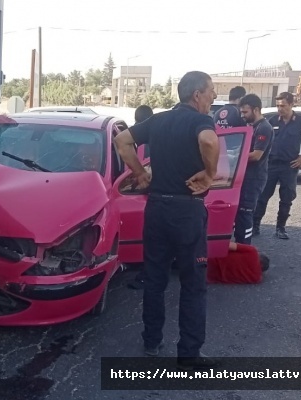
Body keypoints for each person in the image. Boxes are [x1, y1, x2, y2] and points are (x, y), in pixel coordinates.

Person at [114, 71, 219, 370]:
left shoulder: (158, 120)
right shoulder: (200, 121)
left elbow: (122, 141)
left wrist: (139, 173)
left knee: (155, 279)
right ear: (196, 95)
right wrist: (210, 175)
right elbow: (209, 142)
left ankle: (151, 341)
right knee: (193, 285)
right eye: (210, 91)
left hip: (157, 209)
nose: (213, 97)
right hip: (187, 211)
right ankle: (188, 355)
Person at [252, 92, 301, 239]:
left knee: (287, 198)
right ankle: (255, 224)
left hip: (290, 166)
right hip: (271, 164)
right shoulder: (272, 121)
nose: (279, 109)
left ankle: (281, 228)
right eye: (277, 106)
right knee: (263, 196)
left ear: (291, 104)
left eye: (282, 105)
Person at [234, 94, 273, 244]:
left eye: (245, 112)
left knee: (245, 214)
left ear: (256, 109)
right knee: (240, 214)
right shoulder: (251, 126)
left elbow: (256, 155)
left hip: (254, 178)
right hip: (245, 176)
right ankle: (239, 244)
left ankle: (244, 248)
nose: (242, 116)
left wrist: (234, 156)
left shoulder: (264, 127)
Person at [127, 104, 154, 291]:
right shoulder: (158, 138)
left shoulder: (132, 138)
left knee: (153, 241)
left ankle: (146, 274)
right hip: (153, 191)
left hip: (143, 190)